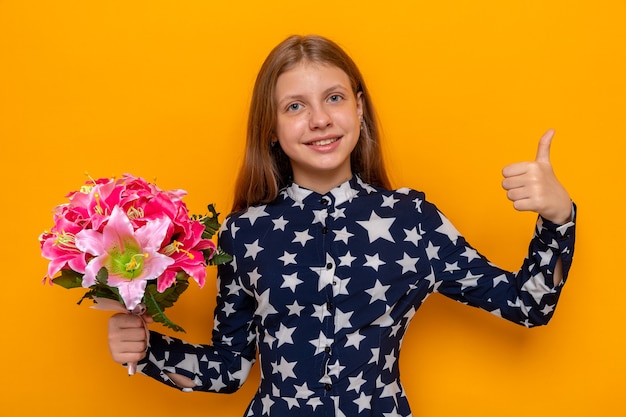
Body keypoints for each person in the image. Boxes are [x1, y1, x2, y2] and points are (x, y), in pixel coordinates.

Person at [108, 35, 576, 416]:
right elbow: (230, 370)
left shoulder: (411, 221)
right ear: (270, 128)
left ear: (359, 108)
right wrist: (146, 350)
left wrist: (558, 219)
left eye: (333, 98)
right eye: (294, 106)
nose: (319, 120)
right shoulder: (244, 232)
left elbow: (528, 305)